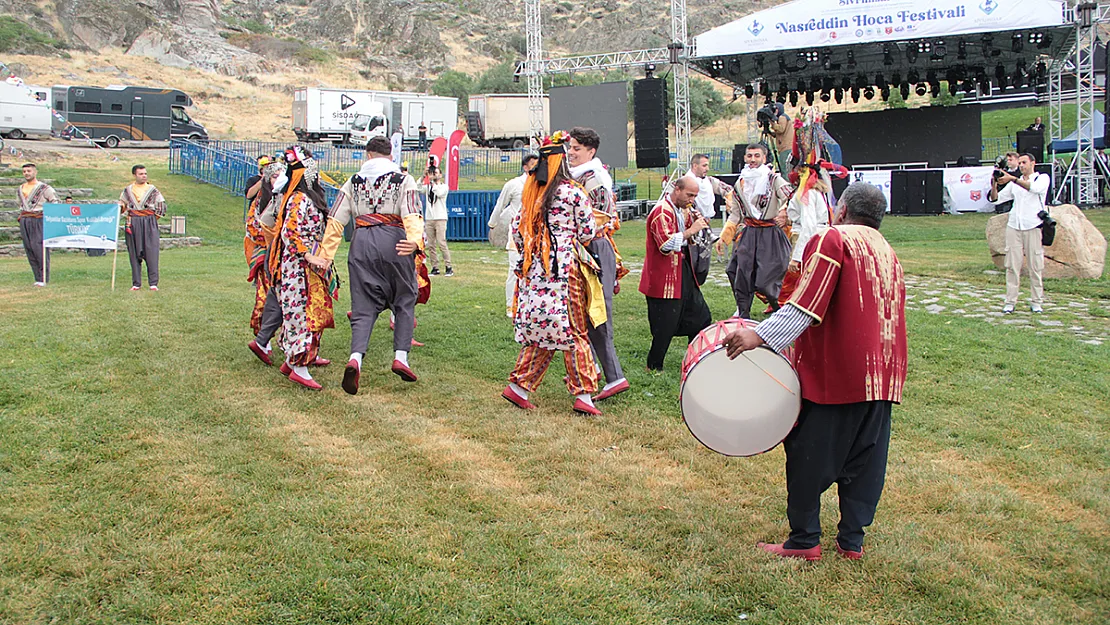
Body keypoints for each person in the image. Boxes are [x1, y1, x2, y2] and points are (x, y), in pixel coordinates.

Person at [722, 182, 907, 562]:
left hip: (838, 373)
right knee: (865, 461)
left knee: (809, 455)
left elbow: (808, 303)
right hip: (883, 375)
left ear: (840, 209)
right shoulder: (887, 251)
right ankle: (851, 541)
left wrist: (760, 335)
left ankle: (805, 539)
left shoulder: (833, 239)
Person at [501, 133, 602, 416]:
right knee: (573, 330)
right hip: (563, 270)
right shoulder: (572, 192)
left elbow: (517, 232)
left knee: (543, 330)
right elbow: (587, 232)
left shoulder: (530, 193)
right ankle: (584, 396)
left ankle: (520, 387)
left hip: (534, 270)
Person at [317, 136, 425, 395]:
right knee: (404, 298)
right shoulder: (403, 179)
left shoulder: (352, 182)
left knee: (363, 306)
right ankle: (401, 356)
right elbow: (411, 212)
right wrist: (415, 241)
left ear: (368, 155)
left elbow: (335, 220)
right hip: (394, 240)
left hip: (361, 241)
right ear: (391, 156)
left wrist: (325, 255)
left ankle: (356, 358)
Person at [565, 127, 630, 401]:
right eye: (570, 147)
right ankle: (590, 369)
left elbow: (599, 218)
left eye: (577, 149)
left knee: (597, 313)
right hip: (582, 248)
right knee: (579, 312)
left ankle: (614, 376)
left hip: (593, 247)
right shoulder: (579, 176)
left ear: (591, 151)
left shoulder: (594, 179)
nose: (571, 153)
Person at [268, 146, 337, 390]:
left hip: (311, 261)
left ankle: (296, 359)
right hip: (298, 266)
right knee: (301, 311)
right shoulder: (298, 198)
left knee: (314, 309)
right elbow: (290, 232)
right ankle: (299, 365)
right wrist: (309, 256)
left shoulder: (308, 197)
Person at [639, 176, 713, 371]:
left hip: (682, 272)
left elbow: (687, 239)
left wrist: (696, 228)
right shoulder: (661, 211)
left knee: (701, 316)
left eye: (695, 196)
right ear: (677, 189)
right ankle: (653, 366)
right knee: (665, 325)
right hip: (663, 278)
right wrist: (692, 231)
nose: (691, 200)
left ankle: (695, 357)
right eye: (689, 195)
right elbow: (666, 244)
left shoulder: (681, 211)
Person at [717, 143, 792, 318]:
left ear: (764, 158)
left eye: (757, 156)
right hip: (750, 232)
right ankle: (743, 312)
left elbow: (792, 197)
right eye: (749, 156)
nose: (752, 159)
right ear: (744, 158)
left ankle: (777, 307)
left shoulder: (773, 179)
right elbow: (735, 215)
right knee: (737, 272)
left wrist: (784, 212)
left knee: (766, 279)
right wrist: (724, 238)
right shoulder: (740, 183)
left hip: (770, 234)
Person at [989, 152, 1050, 313]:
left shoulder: (1041, 178)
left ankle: (1036, 301)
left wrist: (1013, 179)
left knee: (1035, 265)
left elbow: (1035, 189)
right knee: (1012, 266)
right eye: (1020, 163)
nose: (1021, 166)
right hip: (1014, 226)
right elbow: (996, 199)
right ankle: (1010, 301)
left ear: (1032, 163)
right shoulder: (1014, 183)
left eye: (1024, 162)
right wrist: (994, 184)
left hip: (1033, 226)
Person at [245, 159, 289, 367]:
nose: (278, 178)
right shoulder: (262, 199)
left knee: (280, 298)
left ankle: (270, 339)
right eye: (274, 175)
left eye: (281, 174)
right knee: (266, 296)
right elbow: (255, 227)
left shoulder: (288, 196)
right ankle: (262, 337)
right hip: (268, 255)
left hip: (283, 254)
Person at [489, 153, 539, 317]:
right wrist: (492, 225)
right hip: (517, 233)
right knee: (514, 269)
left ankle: (532, 304)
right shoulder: (514, 184)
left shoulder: (542, 184)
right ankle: (511, 306)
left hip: (537, 234)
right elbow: (500, 204)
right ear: (525, 167)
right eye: (532, 164)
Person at [119, 164, 166, 291]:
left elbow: (161, 206)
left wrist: (151, 220)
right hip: (133, 221)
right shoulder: (128, 190)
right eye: (141, 174)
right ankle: (136, 283)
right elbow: (123, 205)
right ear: (135, 175)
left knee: (151, 251)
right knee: (134, 252)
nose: (144, 176)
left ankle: (153, 283)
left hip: (149, 221)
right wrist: (121, 207)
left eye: (145, 173)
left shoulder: (153, 190)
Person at [15, 163, 58, 286]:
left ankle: (44, 277)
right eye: (24, 171)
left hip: (38, 219)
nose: (26, 173)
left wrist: (47, 214)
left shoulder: (44, 188)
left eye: (29, 171)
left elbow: (55, 201)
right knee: (29, 248)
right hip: (25, 219)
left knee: (38, 247)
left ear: (35, 172)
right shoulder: (20, 188)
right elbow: (20, 204)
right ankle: (37, 277)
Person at [682, 153, 736, 222]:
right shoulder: (683, 183)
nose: (707, 169)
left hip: (705, 222)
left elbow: (728, 189)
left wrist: (731, 201)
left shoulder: (709, 181)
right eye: (704, 166)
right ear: (695, 166)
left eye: (707, 166)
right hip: (689, 223)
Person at [424, 166, 453, 276]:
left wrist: (433, 182)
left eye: (436, 173)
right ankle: (434, 267)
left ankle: (448, 266)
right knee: (431, 244)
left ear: (440, 175)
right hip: (430, 217)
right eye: (432, 173)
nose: (434, 175)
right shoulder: (428, 187)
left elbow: (439, 193)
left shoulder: (444, 187)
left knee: (442, 242)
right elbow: (418, 187)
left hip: (440, 217)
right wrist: (424, 176)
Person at [767, 103, 795, 171]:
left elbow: (781, 129)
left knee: (785, 169)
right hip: (786, 147)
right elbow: (780, 134)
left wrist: (772, 122)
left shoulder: (782, 117)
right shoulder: (784, 117)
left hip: (786, 148)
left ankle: (786, 181)